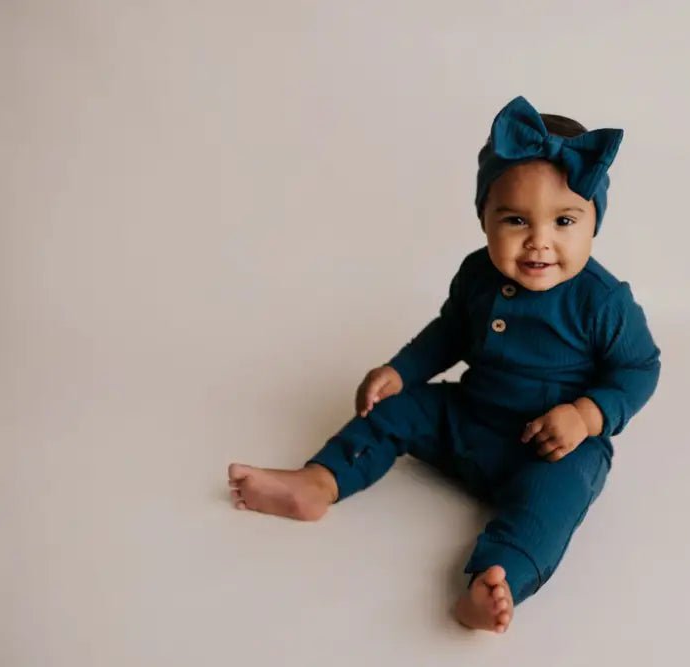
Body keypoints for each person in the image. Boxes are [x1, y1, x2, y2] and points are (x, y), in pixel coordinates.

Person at [228, 95, 661, 633]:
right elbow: (450, 332)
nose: (539, 242)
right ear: (484, 218)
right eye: (515, 220)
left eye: (564, 221)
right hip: (469, 418)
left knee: (553, 503)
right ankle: (319, 481)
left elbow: (640, 369)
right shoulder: (478, 274)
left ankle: (494, 582)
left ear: (594, 223)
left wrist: (587, 416)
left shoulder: (603, 301)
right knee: (397, 411)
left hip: (549, 447)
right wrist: (400, 371)